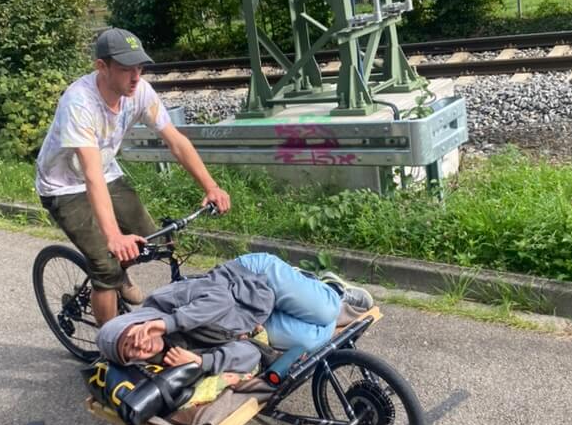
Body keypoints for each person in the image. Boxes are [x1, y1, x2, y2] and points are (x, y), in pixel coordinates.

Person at [36, 27, 231, 325]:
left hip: (105, 174)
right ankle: (109, 351)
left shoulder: (139, 91)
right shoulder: (79, 103)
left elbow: (176, 141)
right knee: (105, 264)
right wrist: (113, 237)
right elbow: (90, 176)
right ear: (101, 66)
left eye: (140, 67)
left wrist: (211, 186)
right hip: (63, 187)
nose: (136, 76)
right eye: (127, 69)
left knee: (151, 241)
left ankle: (118, 276)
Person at [97, 252, 374, 376]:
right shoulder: (173, 355)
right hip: (254, 319)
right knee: (315, 339)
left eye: (131, 339)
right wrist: (200, 361)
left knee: (326, 310)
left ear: (136, 322)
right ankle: (309, 296)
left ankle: (331, 290)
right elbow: (250, 355)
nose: (138, 347)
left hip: (253, 279)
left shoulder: (164, 303)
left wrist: (167, 323)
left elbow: (221, 299)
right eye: (130, 354)